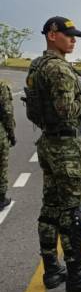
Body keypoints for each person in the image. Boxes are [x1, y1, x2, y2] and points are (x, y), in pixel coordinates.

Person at [25, 16, 81, 292]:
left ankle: (52, 269)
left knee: (50, 207)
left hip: (50, 142)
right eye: (68, 35)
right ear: (52, 35)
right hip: (66, 148)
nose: (73, 40)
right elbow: (68, 110)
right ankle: (77, 274)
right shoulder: (59, 69)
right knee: (75, 212)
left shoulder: (38, 65)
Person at [0, 79, 15, 211]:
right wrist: (11, 134)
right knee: (2, 165)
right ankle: (1, 198)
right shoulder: (1, 86)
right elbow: (7, 112)